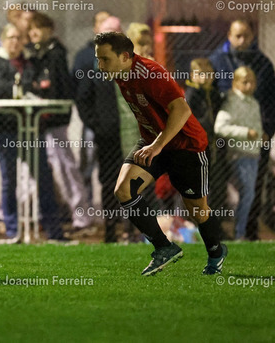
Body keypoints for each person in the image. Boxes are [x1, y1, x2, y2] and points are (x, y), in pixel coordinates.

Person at [95, 31, 227, 275]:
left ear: (124, 57)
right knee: (123, 190)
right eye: (98, 59)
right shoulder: (120, 74)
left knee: (197, 210)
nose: (100, 66)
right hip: (153, 141)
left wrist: (157, 145)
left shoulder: (150, 73)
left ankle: (216, 251)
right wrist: (154, 144)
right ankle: (164, 247)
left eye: (105, 59)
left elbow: (182, 110)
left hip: (185, 146)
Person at [24, 12, 90, 236]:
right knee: (34, 170)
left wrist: (56, 111)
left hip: (54, 121)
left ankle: (81, 215)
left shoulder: (56, 54)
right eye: (31, 29)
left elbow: (61, 87)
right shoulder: (31, 54)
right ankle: (36, 216)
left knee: (65, 167)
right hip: (35, 122)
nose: (34, 33)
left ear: (49, 30)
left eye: (38, 28)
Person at [209, 19, 275, 240]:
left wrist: (267, 131)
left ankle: (249, 233)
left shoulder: (263, 65)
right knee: (218, 187)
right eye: (237, 35)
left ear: (252, 37)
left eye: (246, 35)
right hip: (224, 141)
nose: (242, 40)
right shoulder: (216, 62)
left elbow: (271, 103)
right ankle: (217, 233)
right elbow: (211, 101)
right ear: (229, 35)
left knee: (252, 188)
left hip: (255, 140)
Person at [73, 11, 122, 242]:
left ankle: (134, 228)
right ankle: (111, 227)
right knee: (108, 179)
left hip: (132, 134)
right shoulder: (93, 64)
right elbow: (83, 98)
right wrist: (96, 124)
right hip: (106, 134)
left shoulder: (131, 63)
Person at [214, 67, 263, 240]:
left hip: (253, 153)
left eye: (252, 82)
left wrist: (259, 135)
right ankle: (239, 233)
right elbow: (220, 127)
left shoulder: (253, 102)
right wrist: (245, 133)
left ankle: (240, 231)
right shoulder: (232, 101)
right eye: (245, 82)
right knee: (246, 193)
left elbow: (255, 125)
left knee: (248, 194)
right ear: (235, 82)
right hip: (239, 153)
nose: (249, 85)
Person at [0, 23, 28, 240]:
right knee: (9, 179)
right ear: (3, 40)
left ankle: (49, 228)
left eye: (18, 38)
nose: (15, 42)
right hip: (4, 128)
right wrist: (20, 87)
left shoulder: (28, 61)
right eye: (11, 37)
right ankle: (12, 227)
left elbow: (35, 85)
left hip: (30, 128)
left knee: (41, 176)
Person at [184, 58, 226, 213]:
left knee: (217, 183)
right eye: (200, 74)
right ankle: (191, 218)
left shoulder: (214, 94)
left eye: (208, 74)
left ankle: (215, 218)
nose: (205, 77)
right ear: (192, 75)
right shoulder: (192, 94)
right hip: (198, 146)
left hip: (214, 145)